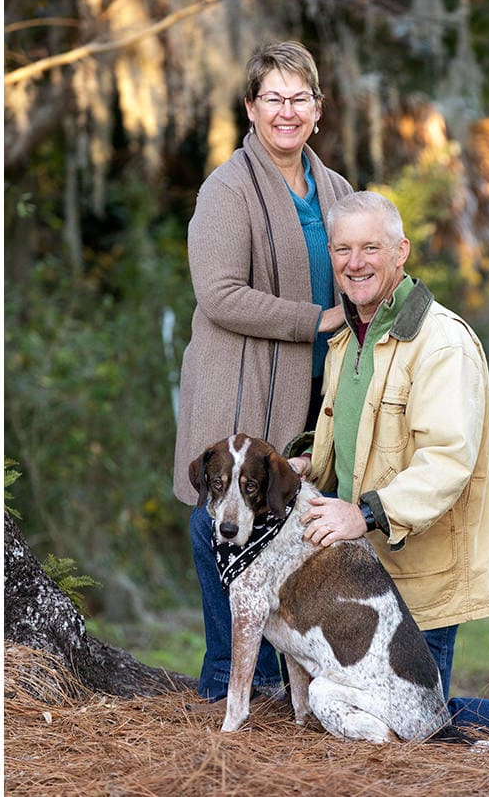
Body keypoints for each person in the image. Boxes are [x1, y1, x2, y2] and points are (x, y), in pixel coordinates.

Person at [284, 190, 489, 737]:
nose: (356, 263)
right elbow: (353, 432)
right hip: (362, 569)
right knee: (382, 710)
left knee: (416, 724)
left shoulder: (440, 342)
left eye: (371, 247)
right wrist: (312, 461)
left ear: (401, 252)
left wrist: (364, 514)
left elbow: (447, 461)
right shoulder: (349, 339)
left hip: (418, 567)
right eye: (343, 249)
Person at [173, 41, 351, 702]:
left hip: (314, 394)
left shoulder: (334, 188)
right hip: (239, 386)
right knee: (218, 513)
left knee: (287, 522)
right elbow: (218, 293)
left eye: (299, 98)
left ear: (318, 108)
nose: (286, 111)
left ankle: (284, 680)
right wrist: (318, 320)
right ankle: (226, 679)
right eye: (272, 98)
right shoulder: (226, 189)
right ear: (250, 108)